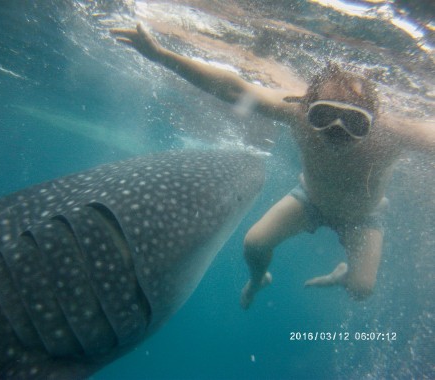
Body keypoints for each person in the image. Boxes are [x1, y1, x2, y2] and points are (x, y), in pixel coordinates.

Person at [111, 24, 435, 307]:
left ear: (374, 122)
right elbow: (234, 88)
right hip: (310, 199)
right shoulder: (295, 114)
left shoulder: (393, 134)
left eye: (354, 122)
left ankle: (343, 274)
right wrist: (161, 55)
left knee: (361, 290)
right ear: (306, 108)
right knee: (254, 244)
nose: (337, 130)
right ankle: (257, 280)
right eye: (323, 116)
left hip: (363, 217)